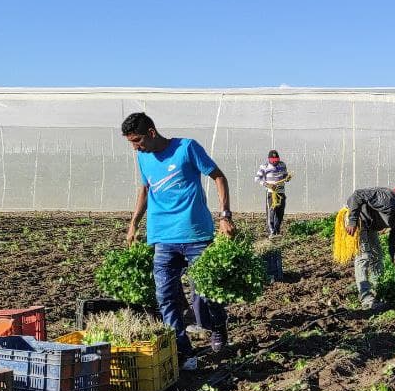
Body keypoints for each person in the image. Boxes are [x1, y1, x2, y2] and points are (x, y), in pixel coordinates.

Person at [122, 112, 235, 371]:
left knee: (205, 294)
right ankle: (183, 351)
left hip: (195, 233)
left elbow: (218, 176)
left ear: (151, 132)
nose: (135, 147)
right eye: (131, 142)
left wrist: (225, 215)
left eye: (137, 140)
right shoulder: (142, 157)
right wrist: (133, 224)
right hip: (162, 237)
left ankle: (217, 327)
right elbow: (145, 189)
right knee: (165, 296)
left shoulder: (187, 148)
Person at [343, 185, 395, 311]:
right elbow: (357, 194)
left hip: (370, 224)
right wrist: (353, 220)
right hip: (358, 219)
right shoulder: (388, 199)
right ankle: (366, 298)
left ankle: (378, 289)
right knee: (364, 256)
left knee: (377, 256)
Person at [255, 149, 292, 237]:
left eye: (276, 160)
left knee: (280, 211)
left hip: (281, 192)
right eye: (273, 161)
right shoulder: (264, 166)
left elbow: (285, 176)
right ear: (269, 159)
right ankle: (271, 231)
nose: (275, 162)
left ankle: (277, 230)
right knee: (271, 211)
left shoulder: (282, 165)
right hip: (271, 193)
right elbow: (257, 178)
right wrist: (267, 185)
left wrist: (287, 178)